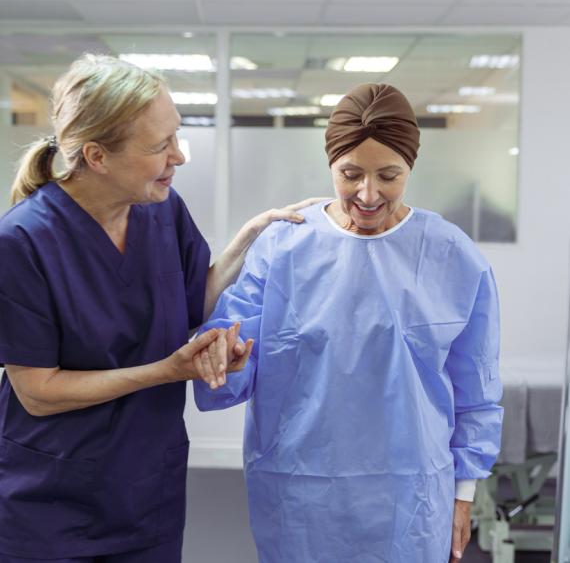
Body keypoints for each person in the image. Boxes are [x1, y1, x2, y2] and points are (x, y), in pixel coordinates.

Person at [0, 54, 320, 562]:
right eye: (159, 145)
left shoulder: (160, 209)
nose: (179, 156)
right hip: (52, 503)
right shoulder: (22, 241)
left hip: (148, 492)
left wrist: (248, 239)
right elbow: (38, 393)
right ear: (97, 156)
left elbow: (191, 301)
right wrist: (168, 371)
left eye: (176, 136)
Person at [194, 83, 504, 562]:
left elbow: (476, 390)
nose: (368, 193)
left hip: (411, 499)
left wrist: (463, 494)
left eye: (389, 175)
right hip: (299, 494)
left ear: (411, 169)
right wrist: (226, 359)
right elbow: (229, 361)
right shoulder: (283, 247)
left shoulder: (452, 255)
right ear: (330, 165)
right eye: (351, 174)